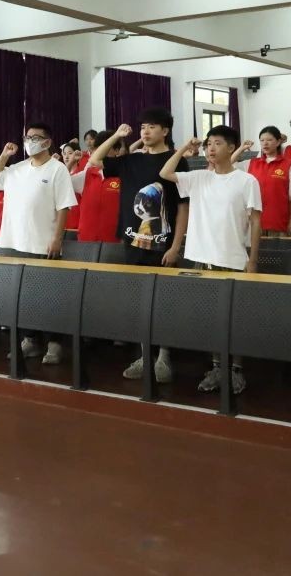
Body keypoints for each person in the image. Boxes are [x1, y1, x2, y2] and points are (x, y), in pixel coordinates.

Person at [89, 108, 190, 383]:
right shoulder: (131, 160)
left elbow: (183, 207)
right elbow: (96, 160)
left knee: (164, 302)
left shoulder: (176, 161)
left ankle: (164, 357)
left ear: (165, 131)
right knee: (140, 302)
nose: (145, 131)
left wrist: (176, 246)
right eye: (143, 126)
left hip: (163, 245)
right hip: (132, 242)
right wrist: (117, 136)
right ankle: (145, 356)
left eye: (152, 126)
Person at [160, 127, 262, 393]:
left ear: (232, 147)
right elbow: (166, 172)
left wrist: (252, 260)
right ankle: (217, 368)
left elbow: (256, 221)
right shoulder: (199, 178)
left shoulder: (246, 181)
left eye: (217, 143)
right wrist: (185, 147)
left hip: (233, 259)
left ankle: (236, 370)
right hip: (202, 261)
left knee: (235, 320)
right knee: (210, 319)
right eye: (208, 144)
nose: (211, 148)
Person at [0, 123, 78, 364]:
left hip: (42, 244)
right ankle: (30, 340)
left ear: (48, 142)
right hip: (12, 242)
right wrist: (4, 156)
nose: (30, 142)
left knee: (48, 298)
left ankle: (54, 343)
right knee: (21, 298)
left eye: (36, 138)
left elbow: (64, 206)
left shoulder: (57, 169)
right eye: (27, 137)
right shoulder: (16, 168)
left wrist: (57, 238)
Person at [71, 130, 123, 243]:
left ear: (117, 150)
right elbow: (63, 184)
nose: (101, 152)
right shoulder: (87, 174)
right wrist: (71, 163)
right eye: (98, 148)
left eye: (106, 147)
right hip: (86, 240)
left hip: (113, 241)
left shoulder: (124, 175)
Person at [245, 126, 291, 237]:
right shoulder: (252, 163)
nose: (265, 143)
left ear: (278, 142)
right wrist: (242, 148)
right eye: (262, 140)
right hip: (255, 224)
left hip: (278, 223)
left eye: (269, 140)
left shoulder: (288, 164)